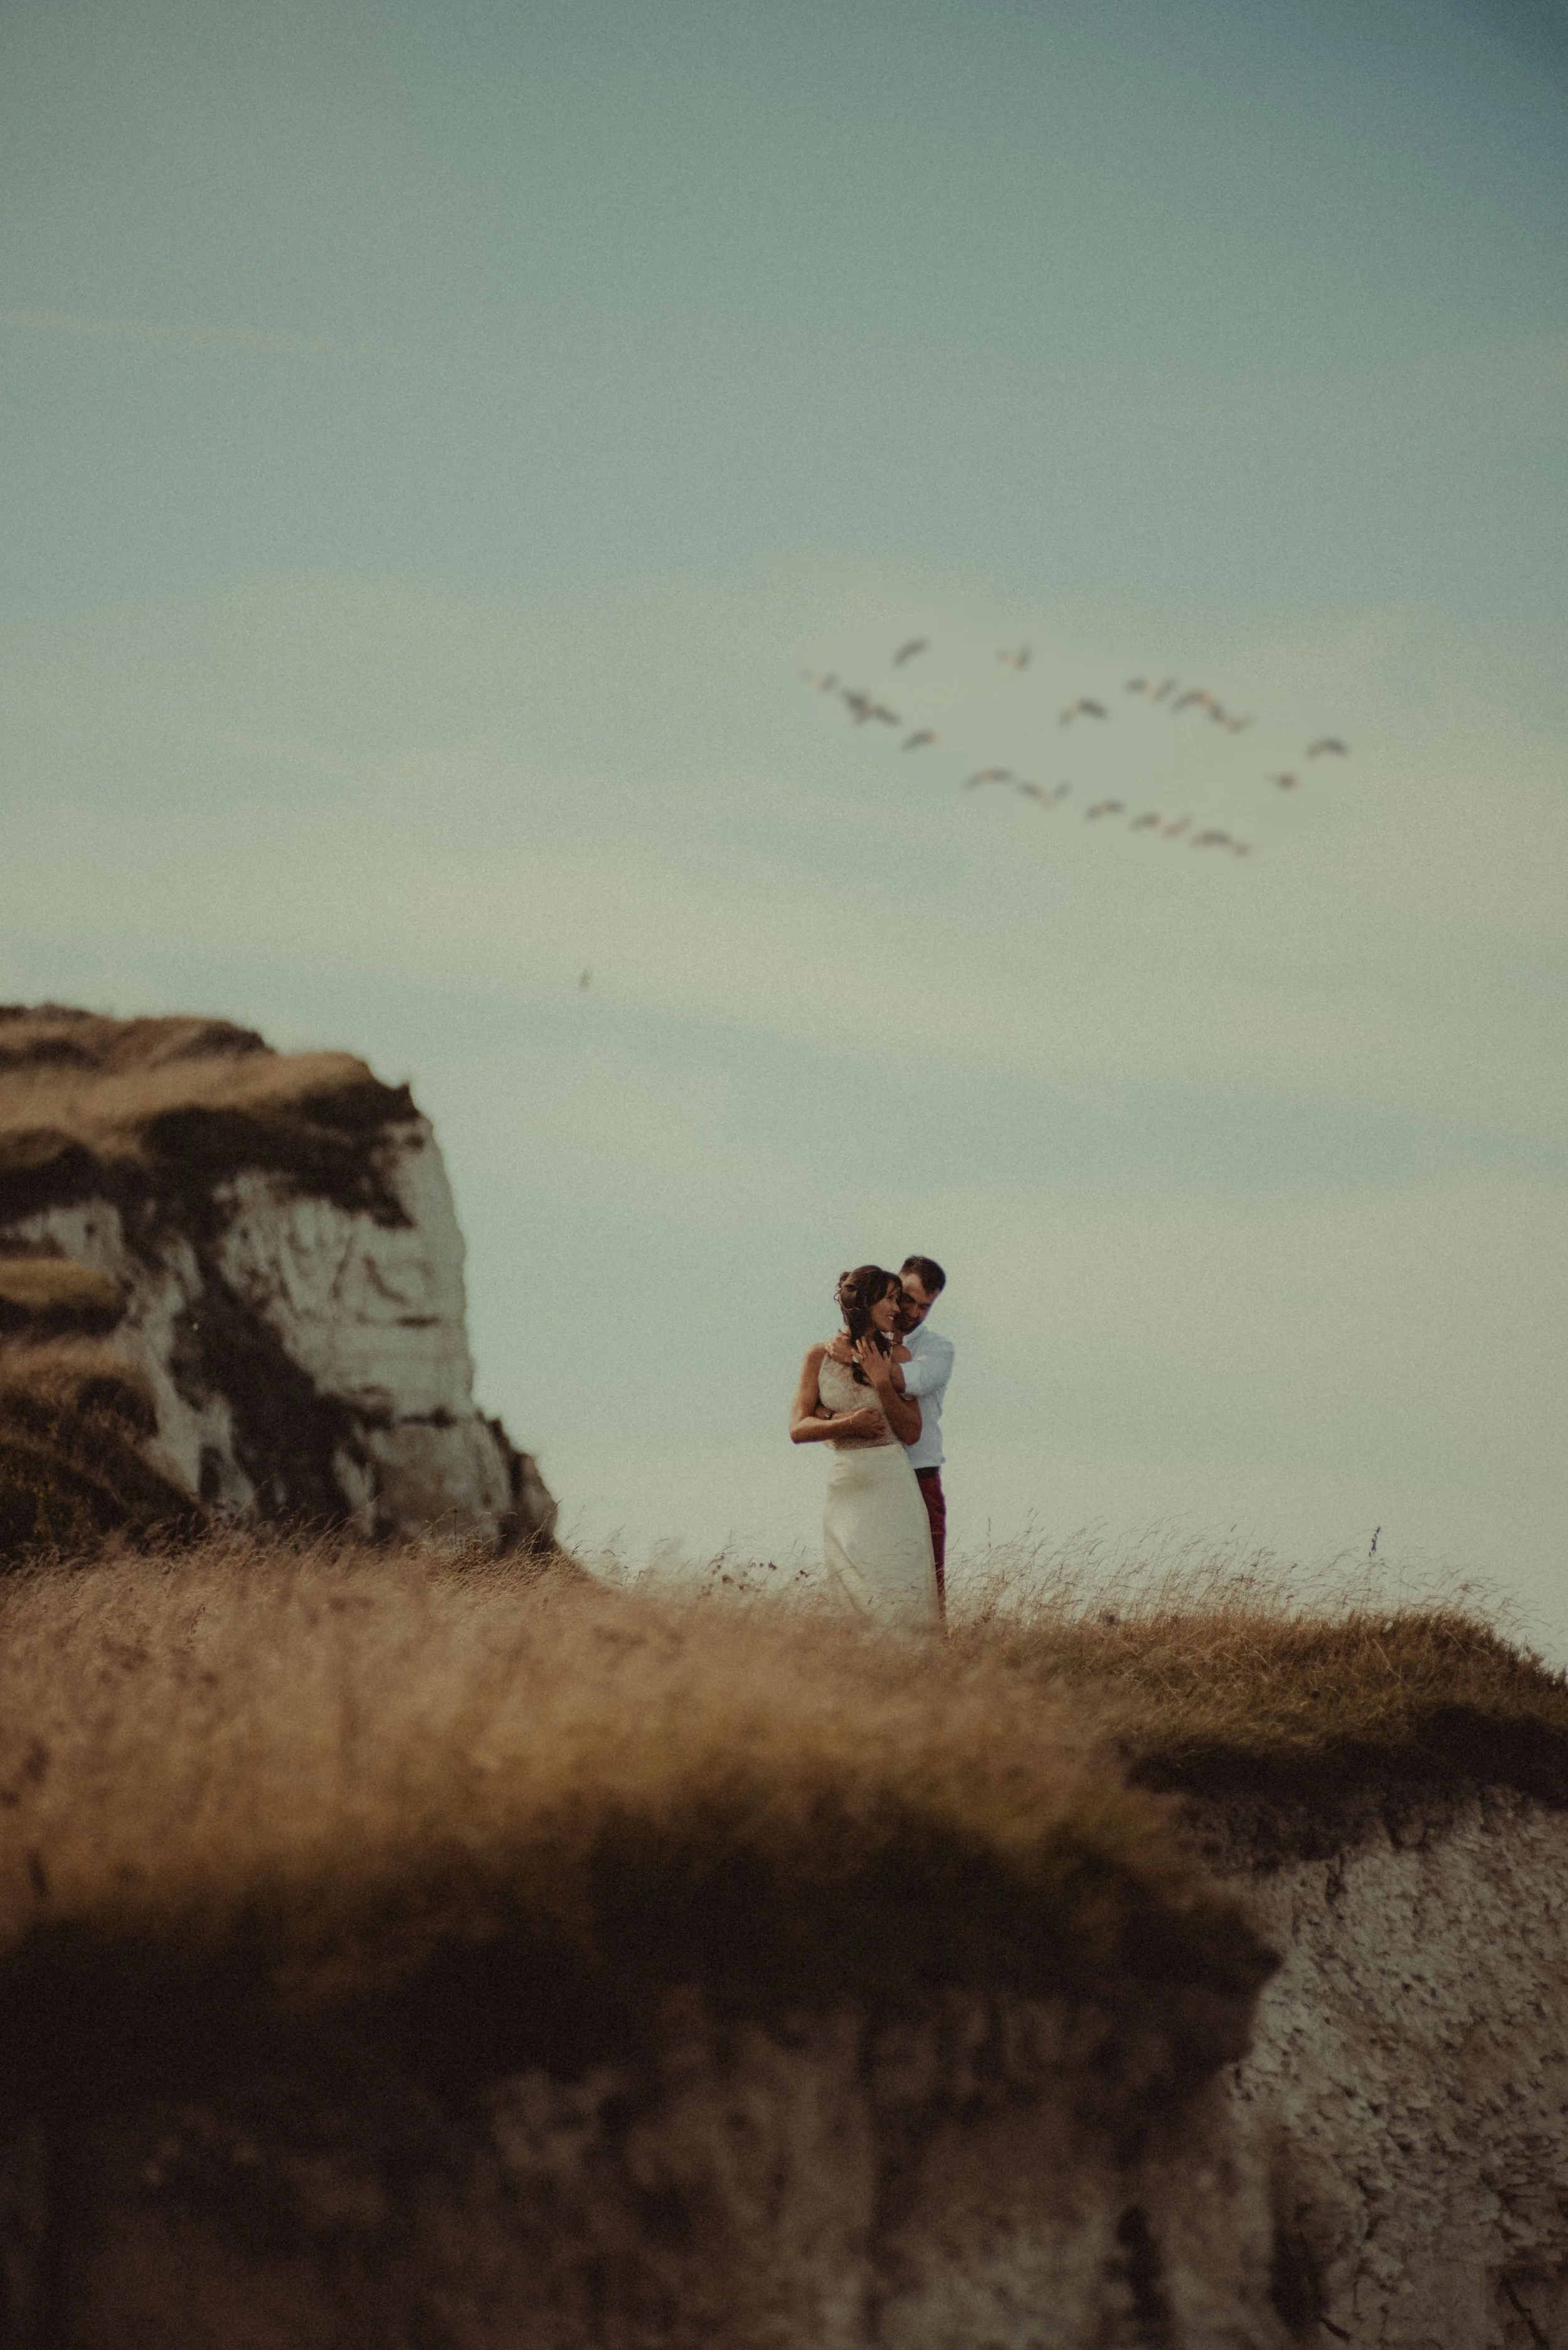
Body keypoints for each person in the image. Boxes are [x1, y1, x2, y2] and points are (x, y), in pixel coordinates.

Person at [788, 1265, 941, 1629]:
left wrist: (882, 1382)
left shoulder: (900, 1359)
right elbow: (797, 1427)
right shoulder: (817, 1356)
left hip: (893, 1483)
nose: (898, 1309)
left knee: (900, 1587)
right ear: (866, 1303)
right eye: (889, 1298)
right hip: (847, 1485)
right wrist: (845, 1424)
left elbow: (912, 1432)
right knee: (853, 1591)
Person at [892, 1256, 955, 1615]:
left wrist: (861, 1357)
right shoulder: (857, 1341)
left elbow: (909, 1381)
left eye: (925, 1307)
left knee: (929, 1584)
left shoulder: (938, 1349)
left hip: (920, 1474)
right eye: (908, 1300)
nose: (913, 1312)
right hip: (872, 1472)